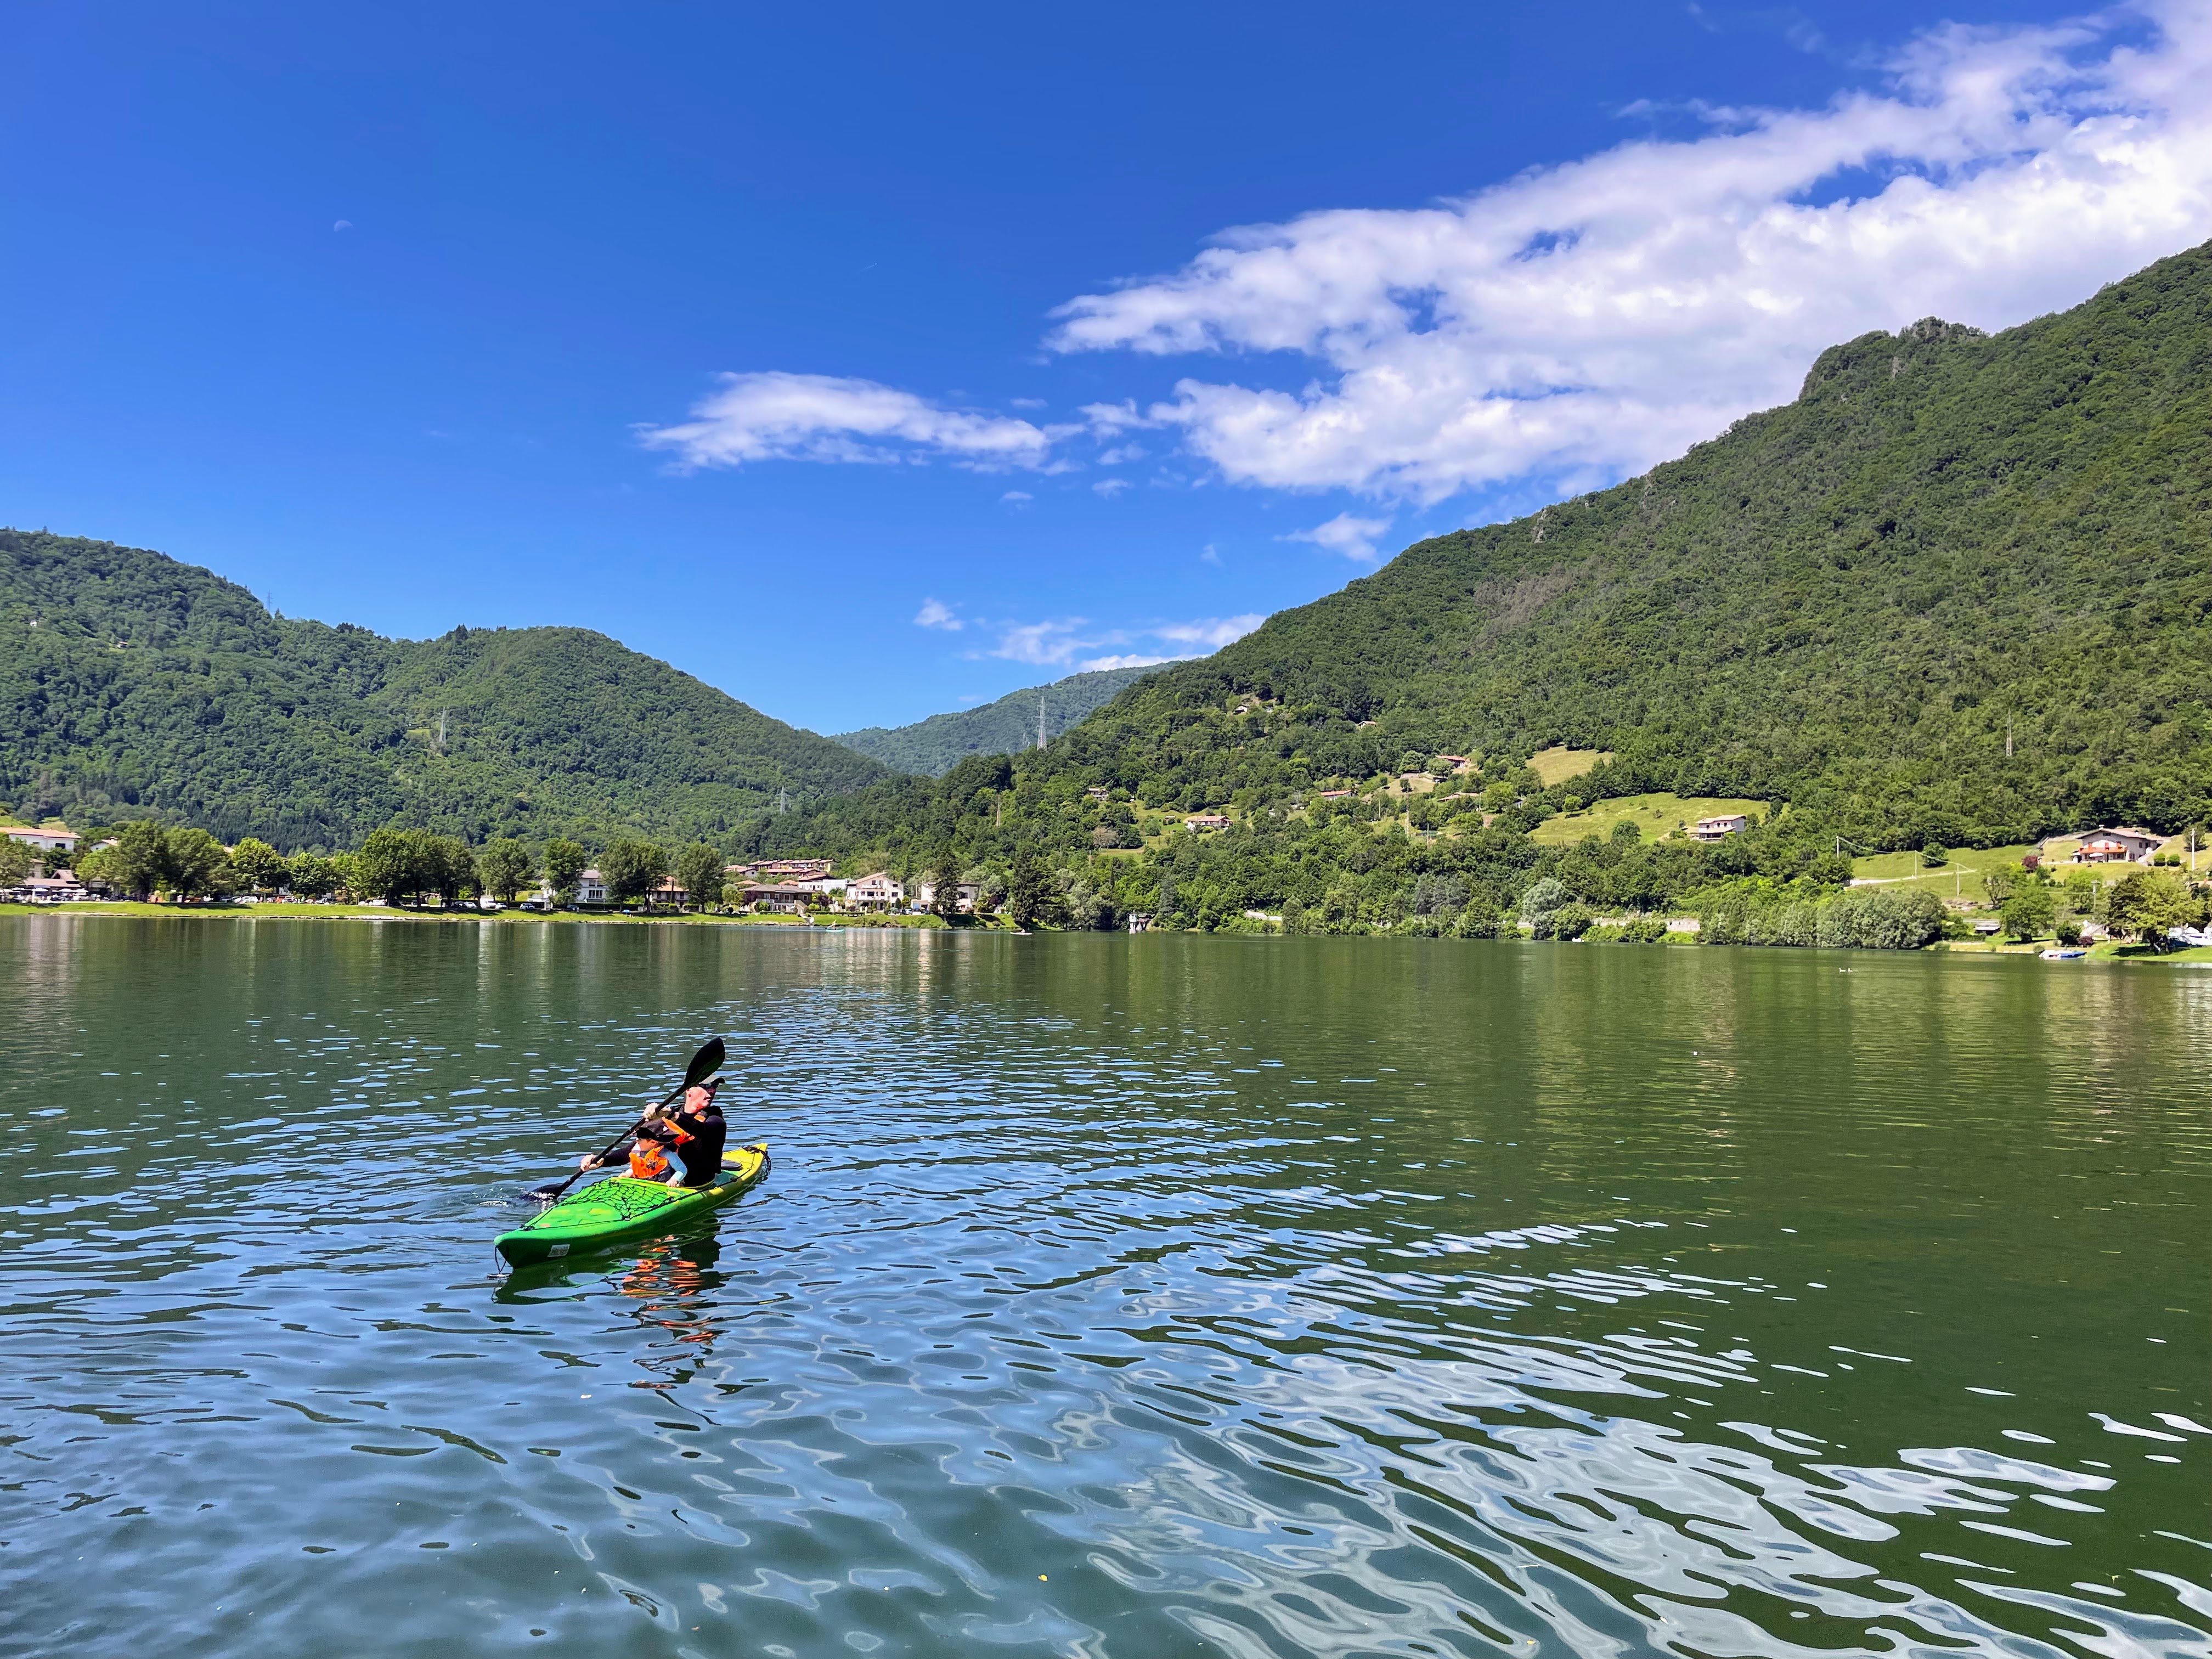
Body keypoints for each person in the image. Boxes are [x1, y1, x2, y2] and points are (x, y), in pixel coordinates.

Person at [577, 1102, 693, 1187]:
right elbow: (636, 1167)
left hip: (663, 1188)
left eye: (639, 1139)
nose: (636, 1141)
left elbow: (682, 1170)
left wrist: (674, 1180)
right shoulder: (637, 1151)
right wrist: (628, 1174)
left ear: (653, 1142)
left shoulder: (666, 1154)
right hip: (642, 1186)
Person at [668, 1077, 729, 1187]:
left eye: (715, 1085)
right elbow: (634, 1148)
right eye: (707, 1085)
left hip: (699, 1185)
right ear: (688, 1089)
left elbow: (701, 1130)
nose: (713, 1090)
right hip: (661, 1183)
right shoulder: (668, 1115)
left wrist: (672, 1115)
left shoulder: (716, 1120)